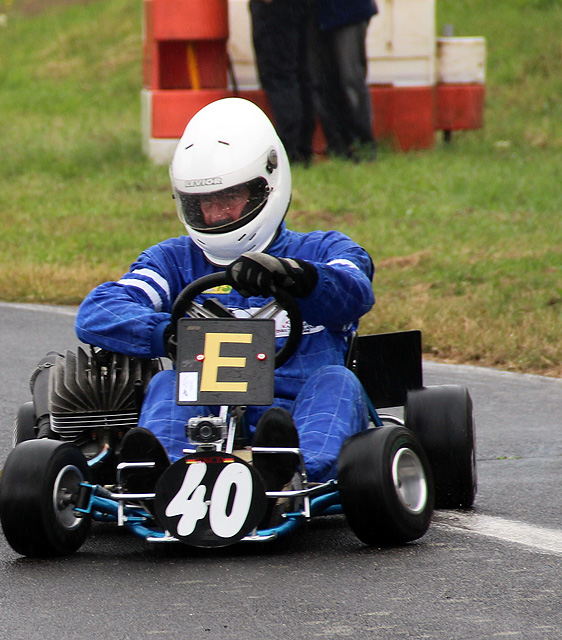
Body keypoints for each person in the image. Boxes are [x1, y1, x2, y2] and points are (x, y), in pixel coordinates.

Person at [74, 98, 374, 492]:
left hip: (299, 409)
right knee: (166, 384)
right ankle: (161, 479)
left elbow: (355, 291)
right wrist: (168, 333)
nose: (215, 216)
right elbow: (98, 311)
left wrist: (297, 278)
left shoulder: (323, 251)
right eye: (203, 203)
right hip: (205, 418)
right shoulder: (174, 262)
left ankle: (294, 472)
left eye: (228, 199)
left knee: (338, 380)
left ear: (266, 184)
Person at [309, 0, 378, 162]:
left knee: (351, 78)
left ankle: (363, 144)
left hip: (349, 9)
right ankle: (337, 145)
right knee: (322, 81)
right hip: (316, 13)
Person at [248, 0, 315, 166]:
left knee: (279, 75)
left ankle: (289, 151)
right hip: (299, 7)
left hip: (274, 7)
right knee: (300, 73)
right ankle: (303, 148)